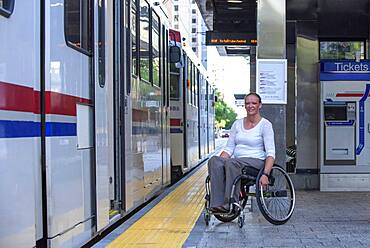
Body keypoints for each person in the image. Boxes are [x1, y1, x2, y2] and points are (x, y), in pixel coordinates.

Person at [208, 92, 275, 212]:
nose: (250, 106)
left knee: (232, 163)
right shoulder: (237, 124)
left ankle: (230, 203)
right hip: (237, 162)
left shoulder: (265, 125)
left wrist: (265, 174)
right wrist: (219, 163)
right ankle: (216, 204)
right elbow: (229, 149)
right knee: (214, 161)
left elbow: (271, 153)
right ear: (244, 105)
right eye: (248, 103)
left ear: (260, 105)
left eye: (254, 103)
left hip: (256, 162)